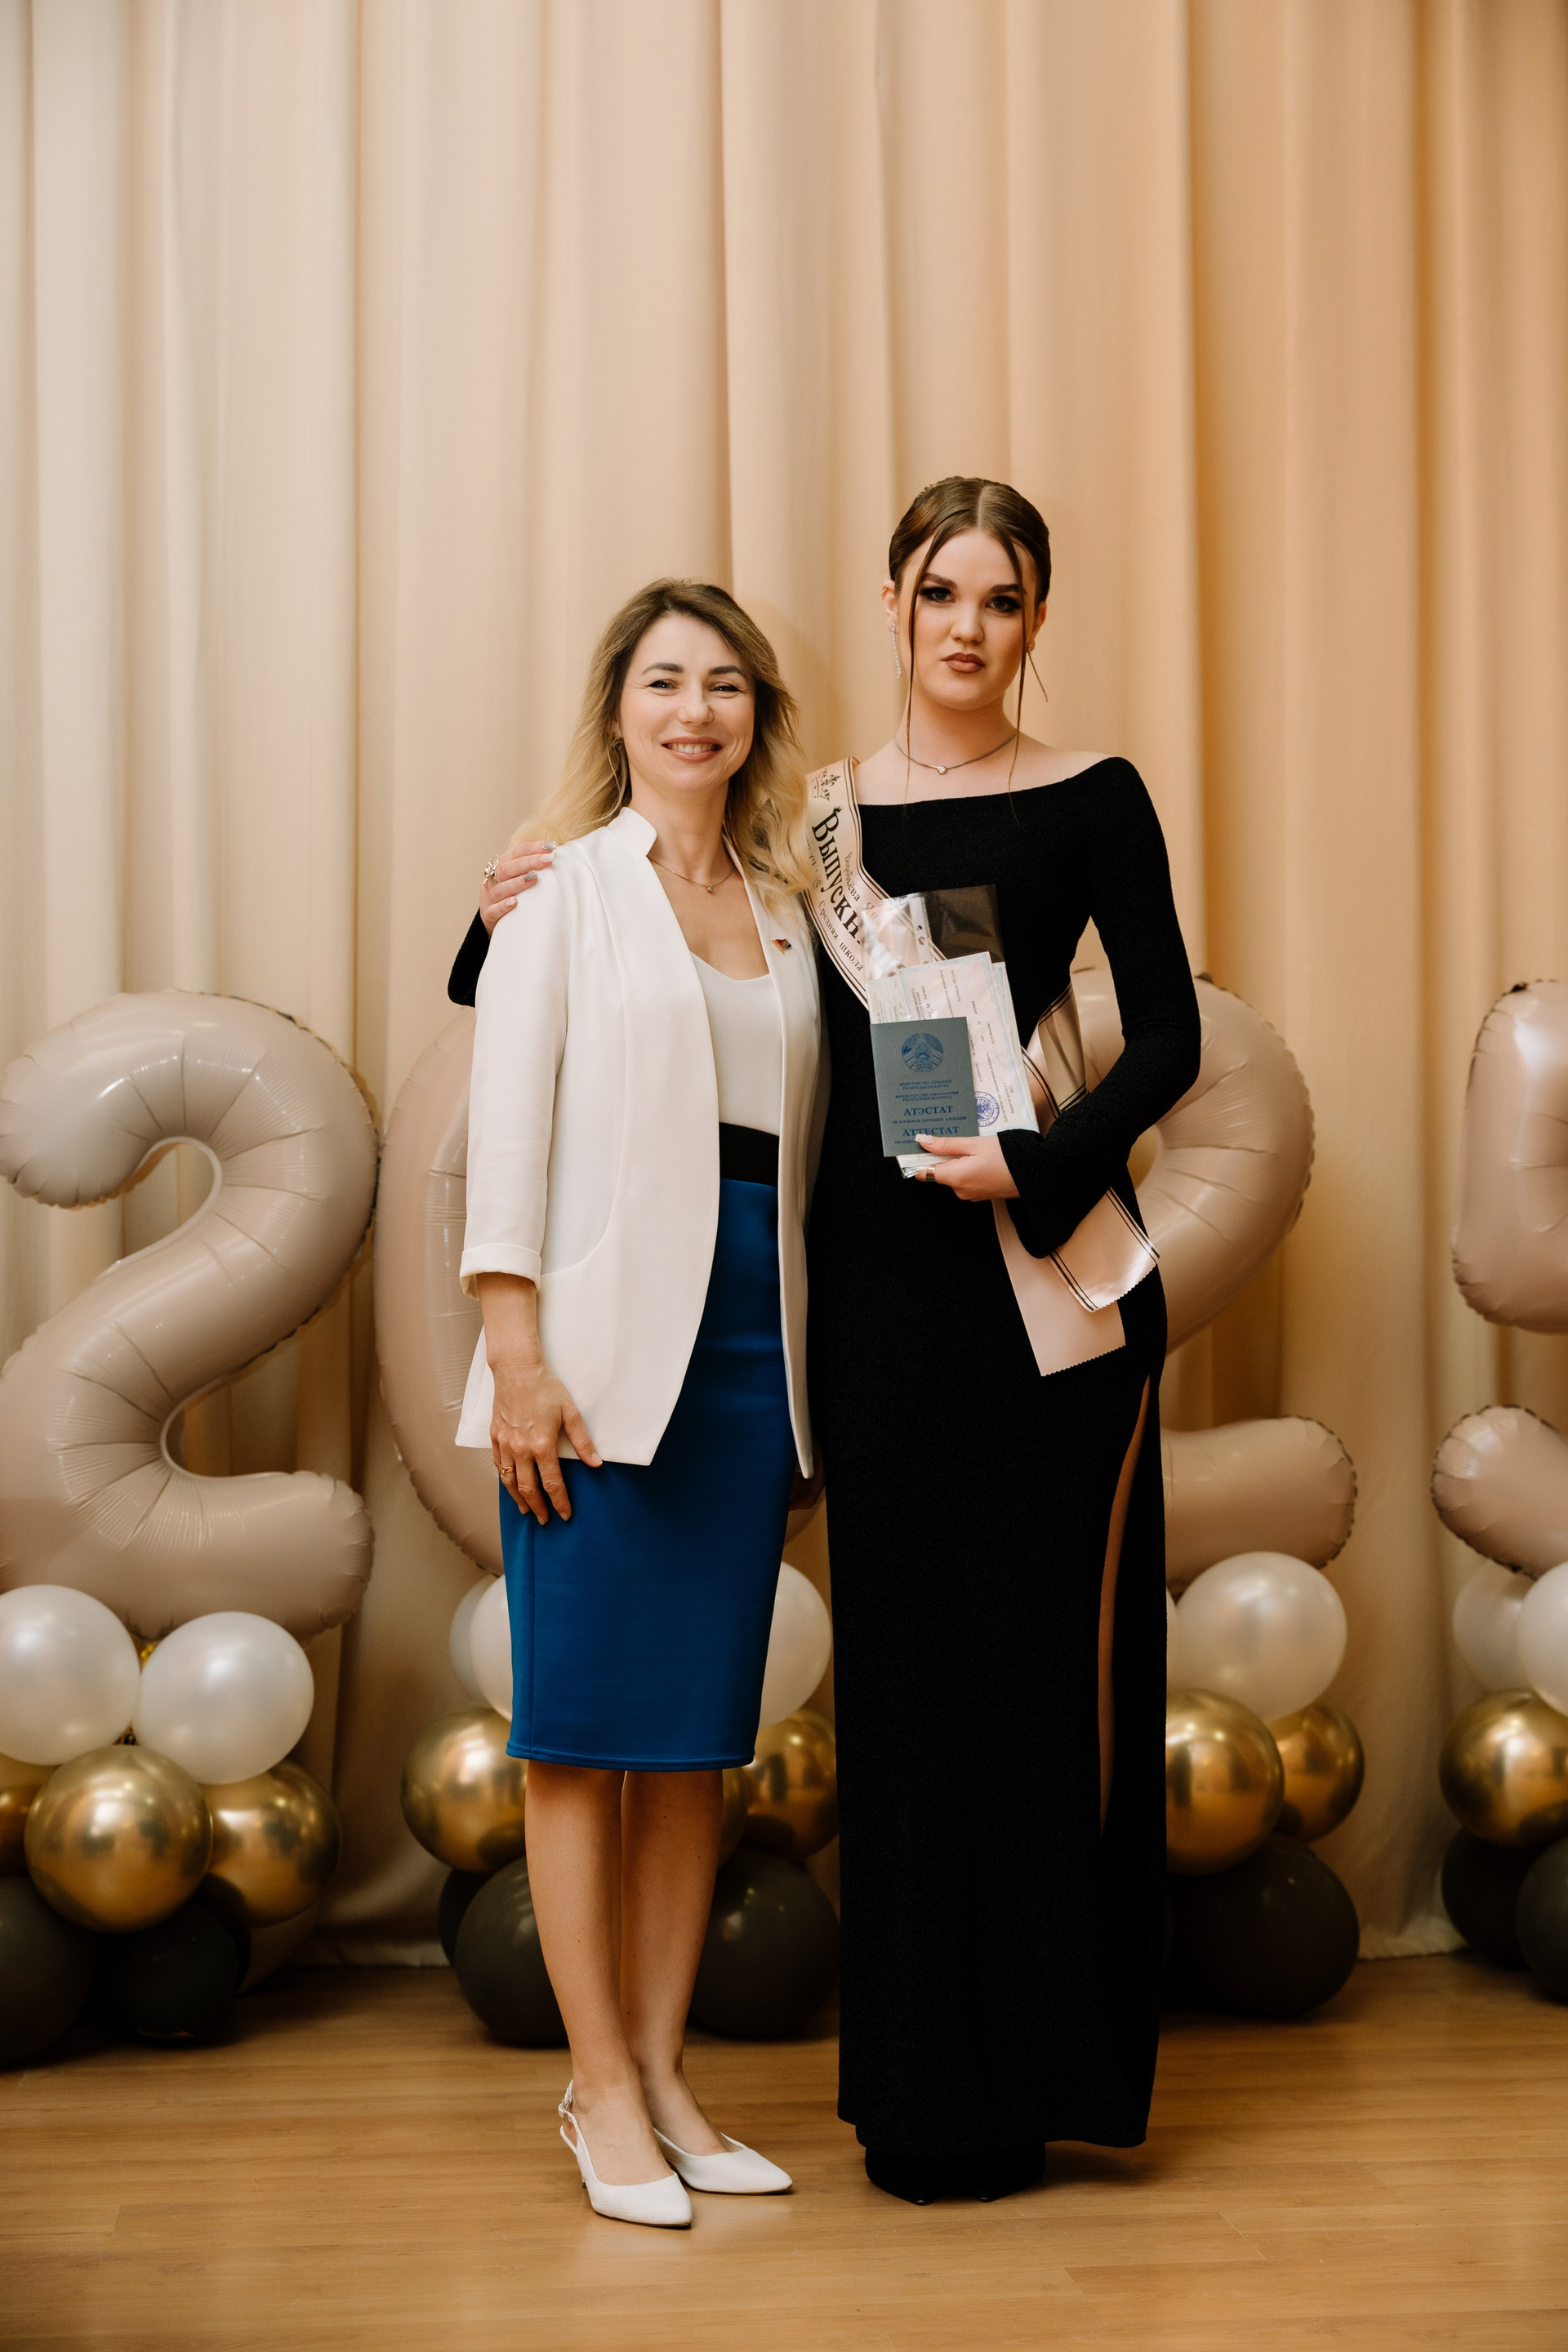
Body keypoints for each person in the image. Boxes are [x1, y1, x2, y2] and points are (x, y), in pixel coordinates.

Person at [454, 578, 822, 2229]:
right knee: (581, 1734)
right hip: (596, 1360)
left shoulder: (796, 907)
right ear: (618, 708)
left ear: (757, 717)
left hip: (756, 1349)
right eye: (665, 682)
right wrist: (516, 1354)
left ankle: (666, 2078)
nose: (696, 712)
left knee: (692, 1746)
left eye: (725, 685)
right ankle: (595, 2085)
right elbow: (507, 1129)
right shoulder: (559, 889)